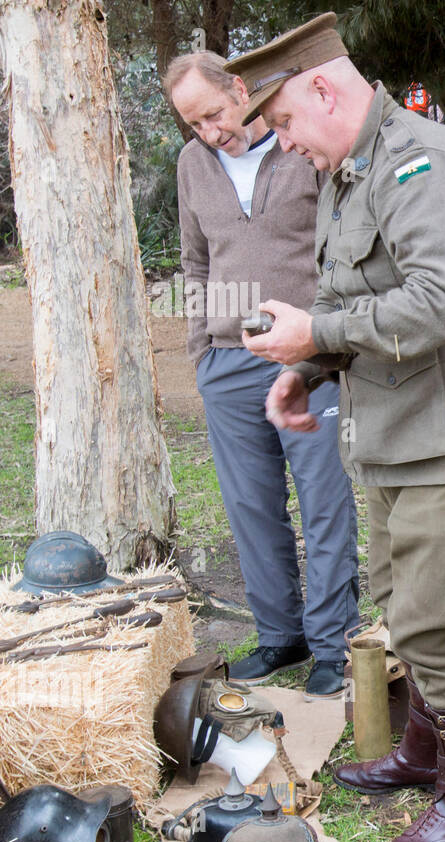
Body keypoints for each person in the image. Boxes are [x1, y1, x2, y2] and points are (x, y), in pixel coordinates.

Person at [224, 13, 445, 842]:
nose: (284, 144)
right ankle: (423, 751)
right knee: (397, 596)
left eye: (287, 123)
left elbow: (443, 301)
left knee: (435, 621)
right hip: (402, 425)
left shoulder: (423, 162)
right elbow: (367, 297)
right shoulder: (351, 167)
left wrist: (316, 330)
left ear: (325, 89)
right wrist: (314, 363)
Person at [166, 51, 360, 699]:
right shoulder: (192, 166)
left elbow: (341, 247)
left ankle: (334, 643)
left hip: (308, 357)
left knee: (323, 502)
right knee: (251, 507)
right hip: (227, 361)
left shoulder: (296, 144)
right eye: (194, 124)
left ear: (240, 90)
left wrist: (326, 338)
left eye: (215, 114)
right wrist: (203, 352)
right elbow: (195, 263)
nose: (211, 131)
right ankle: (281, 636)